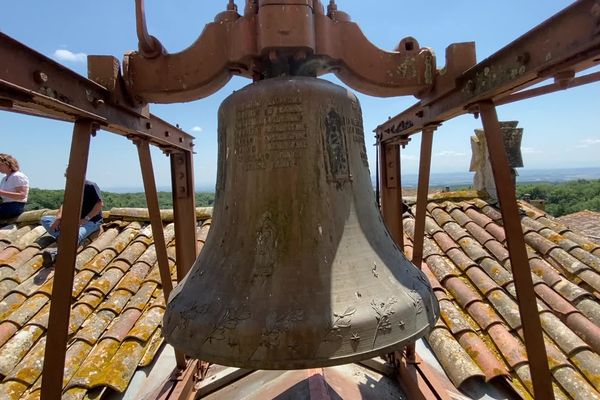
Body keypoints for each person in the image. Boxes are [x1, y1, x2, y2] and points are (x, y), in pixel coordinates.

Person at [41, 179, 103, 267]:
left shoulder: (91, 186)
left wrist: (85, 219)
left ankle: (55, 254)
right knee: (45, 219)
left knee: (75, 235)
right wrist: (58, 219)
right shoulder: (71, 187)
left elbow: (99, 205)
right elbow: (64, 204)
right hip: (74, 220)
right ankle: (62, 237)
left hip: (92, 221)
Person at [0, 153, 29, 220]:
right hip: (6, 205)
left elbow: (22, 195)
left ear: (8, 164)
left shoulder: (17, 176)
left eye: (0, 165)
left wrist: (1, 193)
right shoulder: (4, 178)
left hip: (15, 206)